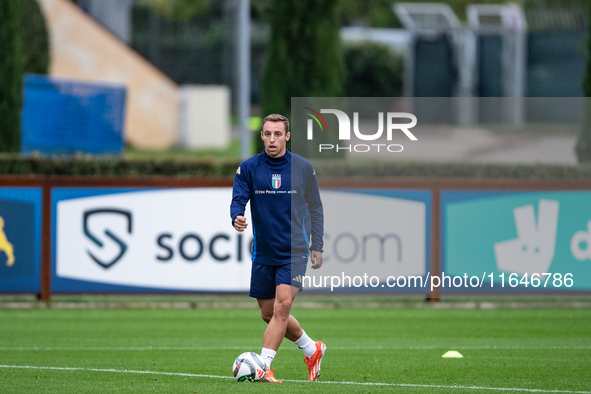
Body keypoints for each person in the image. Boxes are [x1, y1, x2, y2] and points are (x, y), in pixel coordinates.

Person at [230, 114, 326, 383]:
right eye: (267, 134)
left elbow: (316, 208)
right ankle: (312, 348)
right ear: (261, 136)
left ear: (287, 136)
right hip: (264, 251)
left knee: (283, 304)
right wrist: (236, 215)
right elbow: (238, 199)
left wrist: (316, 244)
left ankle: (263, 366)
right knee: (269, 313)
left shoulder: (303, 167)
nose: (272, 139)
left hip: (294, 251)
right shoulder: (248, 167)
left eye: (277, 134)